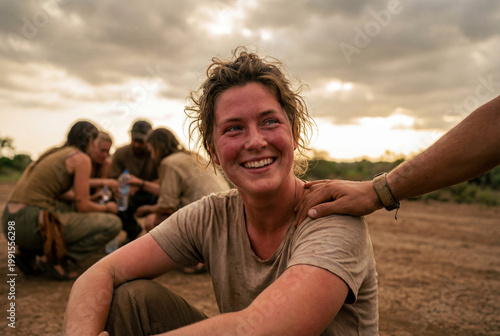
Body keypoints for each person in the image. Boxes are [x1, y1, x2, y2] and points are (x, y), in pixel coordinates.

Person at [64, 49, 378, 335]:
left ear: (293, 133)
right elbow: (101, 272)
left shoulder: (333, 216)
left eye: (269, 121)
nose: (255, 141)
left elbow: (267, 328)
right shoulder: (211, 215)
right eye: (233, 128)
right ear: (213, 151)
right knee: (130, 299)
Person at [295, 94, 500, 223]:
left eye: (270, 121)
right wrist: (378, 191)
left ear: (295, 133)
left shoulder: (329, 226)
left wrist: (377, 191)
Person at [1, 120, 122, 280]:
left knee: (67, 208)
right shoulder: (81, 158)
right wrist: (108, 208)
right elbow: (83, 207)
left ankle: (29, 252)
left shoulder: (56, 153)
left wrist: (92, 197)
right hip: (31, 221)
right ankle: (54, 258)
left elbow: (61, 195)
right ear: (92, 141)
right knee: (112, 224)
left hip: (10, 220)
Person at [130, 127, 230, 232]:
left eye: (151, 150)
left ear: (156, 148)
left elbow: (168, 206)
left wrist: (146, 209)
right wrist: (141, 184)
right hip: (224, 207)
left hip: (206, 214)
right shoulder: (192, 156)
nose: (152, 156)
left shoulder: (169, 163)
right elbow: (169, 192)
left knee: (153, 221)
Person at [109, 120, 158, 241]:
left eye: (140, 141)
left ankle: (159, 238)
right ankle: (133, 233)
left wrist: (140, 185)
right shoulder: (120, 153)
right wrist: (119, 191)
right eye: (134, 139)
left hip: (152, 193)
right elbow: (113, 179)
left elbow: (165, 180)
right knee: (115, 204)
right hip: (129, 195)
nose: (136, 144)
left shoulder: (157, 153)